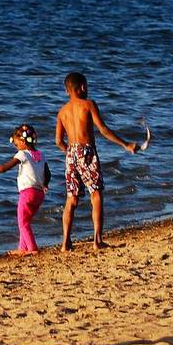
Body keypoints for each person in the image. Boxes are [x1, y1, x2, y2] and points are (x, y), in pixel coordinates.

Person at [55, 72, 138, 251]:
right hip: (87, 152)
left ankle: (65, 243)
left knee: (71, 199)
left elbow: (58, 141)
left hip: (71, 154)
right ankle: (97, 241)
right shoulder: (89, 104)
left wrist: (70, 152)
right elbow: (103, 129)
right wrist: (125, 144)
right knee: (96, 195)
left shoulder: (62, 112)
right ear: (82, 87)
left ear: (66, 90)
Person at [0, 124, 51, 255]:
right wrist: (45, 184)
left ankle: (32, 249)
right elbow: (48, 173)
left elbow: (4, 168)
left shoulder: (22, 154)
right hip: (39, 194)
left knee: (23, 223)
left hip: (27, 193)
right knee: (25, 221)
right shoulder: (41, 155)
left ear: (22, 141)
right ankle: (22, 248)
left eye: (16, 144)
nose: (16, 147)